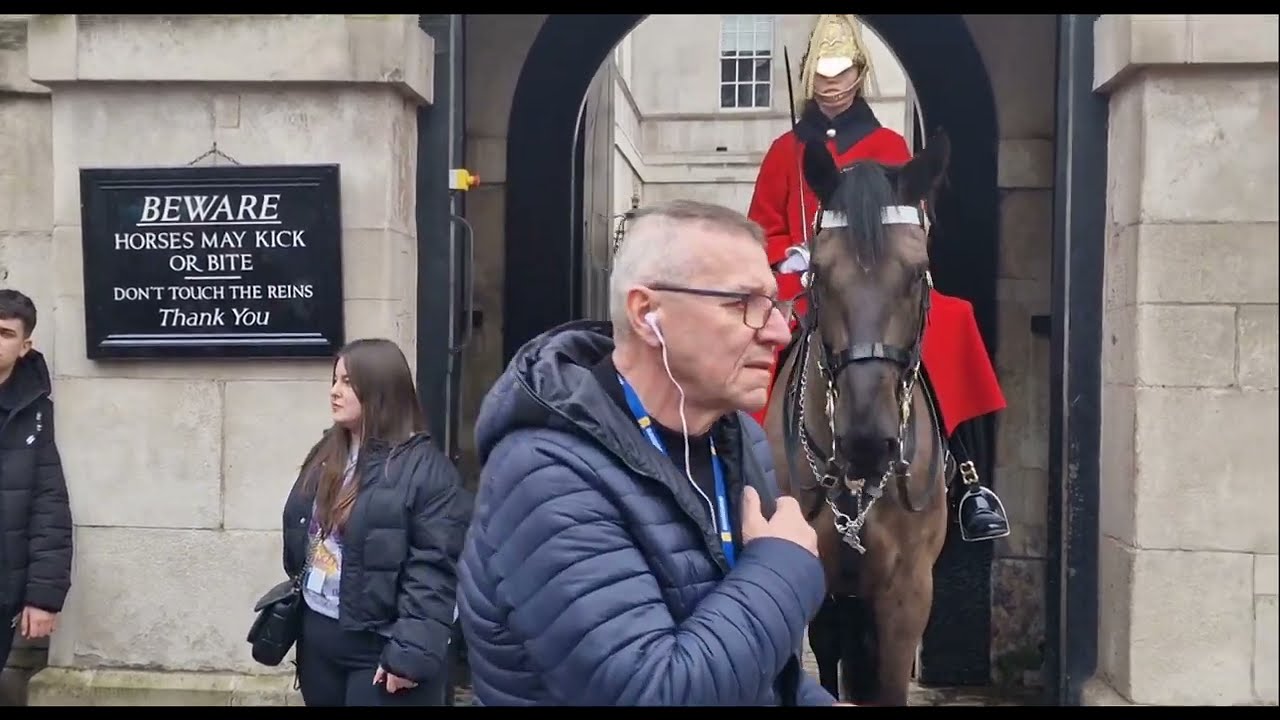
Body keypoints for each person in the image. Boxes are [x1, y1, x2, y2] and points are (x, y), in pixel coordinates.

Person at [457, 199, 840, 706]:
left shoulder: (741, 438)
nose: (778, 330)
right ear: (646, 313)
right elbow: (650, 691)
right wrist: (784, 566)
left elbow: (760, 668)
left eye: (775, 304)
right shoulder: (543, 474)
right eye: (743, 303)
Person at [745, 14, 1010, 542]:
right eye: (821, 78)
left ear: (859, 76)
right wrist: (789, 255)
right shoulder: (785, 152)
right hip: (808, 280)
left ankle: (970, 479)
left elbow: (912, 222)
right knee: (758, 339)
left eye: (840, 77)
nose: (831, 88)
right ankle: (743, 470)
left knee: (953, 320)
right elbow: (761, 225)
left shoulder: (889, 145)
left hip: (879, 280)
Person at [280, 338, 471, 706]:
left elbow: (435, 569)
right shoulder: (327, 453)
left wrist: (410, 654)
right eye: (334, 380)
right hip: (320, 637)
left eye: (348, 383)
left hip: (382, 649)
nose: (335, 392)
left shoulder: (427, 471)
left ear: (380, 389)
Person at [0, 289, 72, 673]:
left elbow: (49, 507)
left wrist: (43, 597)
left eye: (4, 333)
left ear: (25, 345)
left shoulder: (34, 411)